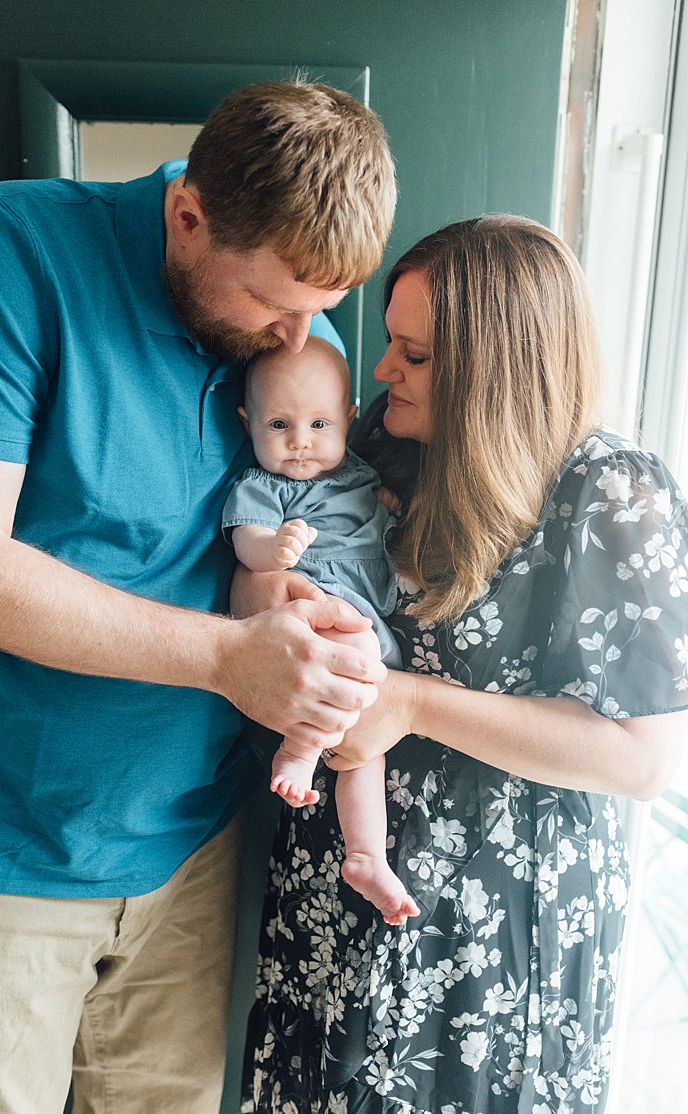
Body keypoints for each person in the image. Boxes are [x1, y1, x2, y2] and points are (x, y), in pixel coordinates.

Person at [0, 78, 397, 1113]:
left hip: (196, 848)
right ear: (189, 217)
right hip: (0, 854)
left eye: (318, 312)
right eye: (273, 304)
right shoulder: (8, 249)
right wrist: (225, 658)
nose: (294, 341)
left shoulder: (282, 321)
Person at [241, 215, 688, 1114]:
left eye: (413, 353)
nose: (380, 371)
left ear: (496, 367)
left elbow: (644, 760)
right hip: (335, 899)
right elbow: (283, 568)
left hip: (493, 931)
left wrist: (410, 702)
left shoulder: (607, 490)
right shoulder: (379, 444)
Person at [223, 338, 418, 927]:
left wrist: (387, 507)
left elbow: (377, 515)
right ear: (248, 423)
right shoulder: (268, 485)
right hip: (324, 613)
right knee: (352, 677)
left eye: (319, 424)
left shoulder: (360, 474)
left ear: (349, 418)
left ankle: (366, 853)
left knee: (367, 740)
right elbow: (246, 538)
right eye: (279, 424)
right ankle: (300, 750)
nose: (300, 441)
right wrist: (271, 547)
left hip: (367, 617)